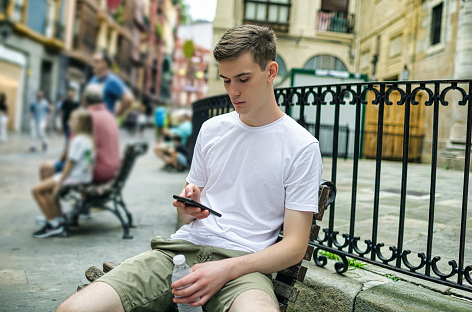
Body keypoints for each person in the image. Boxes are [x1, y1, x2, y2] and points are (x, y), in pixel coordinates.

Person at [57, 24, 322, 312]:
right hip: (179, 252)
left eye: (243, 79)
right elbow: (187, 216)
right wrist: (187, 209)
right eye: (226, 80)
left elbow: (295, 246)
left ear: (270, 72)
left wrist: (226, 269)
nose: (233, 91)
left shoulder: (301, 146)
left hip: (244, 267)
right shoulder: (211, 130)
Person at [31, 108, 95, 238]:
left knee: (36, 190)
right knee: (46, 189)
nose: (69, 122)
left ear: (80, 123)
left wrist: (59, 182)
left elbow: (70, 163)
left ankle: (53, 224)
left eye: (72, 120)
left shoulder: (78, 141)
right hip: (83, 177)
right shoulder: (88, 139)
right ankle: (58, 219)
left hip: (74, 178)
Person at [87, 51, 134, 117]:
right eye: (93, 61)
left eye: (97, 62)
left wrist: (116, 114)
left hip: (104, 123)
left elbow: (129, 98)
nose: (93, 64)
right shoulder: (93, 79)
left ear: (105, 64)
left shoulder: (112, 80)